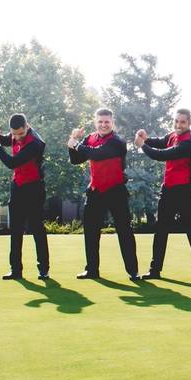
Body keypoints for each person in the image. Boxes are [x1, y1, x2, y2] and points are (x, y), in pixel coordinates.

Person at [134, 108, 191, 279]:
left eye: (182, 122)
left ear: (189, 123)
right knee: (161, 230)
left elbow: (161, 155)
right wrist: (146, 138)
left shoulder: (189, 143)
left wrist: (142, 145)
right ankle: (155, 270)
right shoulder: (172, 135)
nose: (178, 124)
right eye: (176, 121)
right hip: (168, 189)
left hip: (185, 192)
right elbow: (161, 142)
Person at [68, 108, 140, 281]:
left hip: (116, 191)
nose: (103, 125)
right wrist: (73, 143)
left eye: (107, 122)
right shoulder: (90, 139)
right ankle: (92, 270)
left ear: (112, 123)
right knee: (91, 232)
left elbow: (98, 154)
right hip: (95, 191)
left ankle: (133, 271)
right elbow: (76, 159)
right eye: (100, 122)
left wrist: (75, 143)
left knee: (124, 232)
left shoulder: (118, 141)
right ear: (95, 122)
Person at [0, 114, 50, 280]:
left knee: (37, 228)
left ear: (27, 127)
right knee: (16, 229)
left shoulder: (35, 144)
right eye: (13, 134)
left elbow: (12, 163)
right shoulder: (15, 135)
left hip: (34, 188)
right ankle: (15, 270)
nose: (16, 137)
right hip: (17, 187)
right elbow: (5, 139)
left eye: (20, 134)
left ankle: (43, 269)